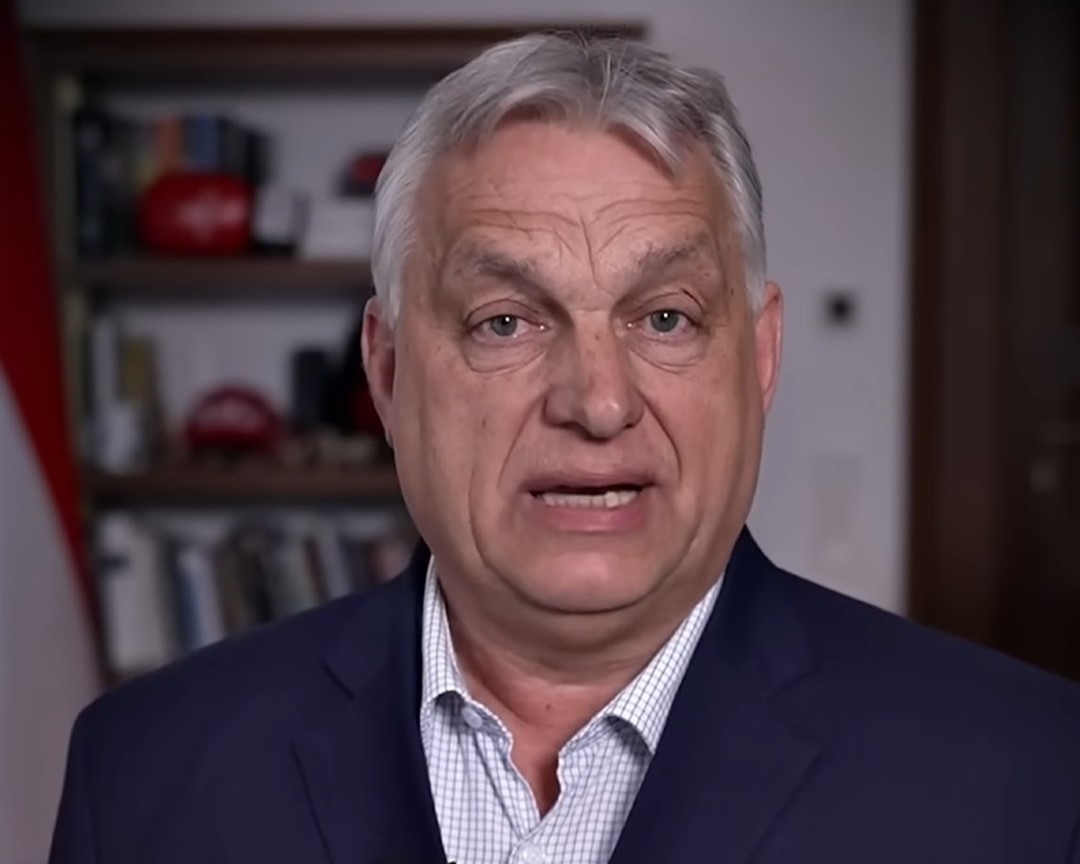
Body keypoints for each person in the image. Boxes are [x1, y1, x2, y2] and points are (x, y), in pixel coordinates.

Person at [50, 33, 1080, 864]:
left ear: (760, 358)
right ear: (388, 370)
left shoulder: (1026, 778)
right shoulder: (144, 772)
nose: (598, 402)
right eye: (505, 322)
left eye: (666, 318)